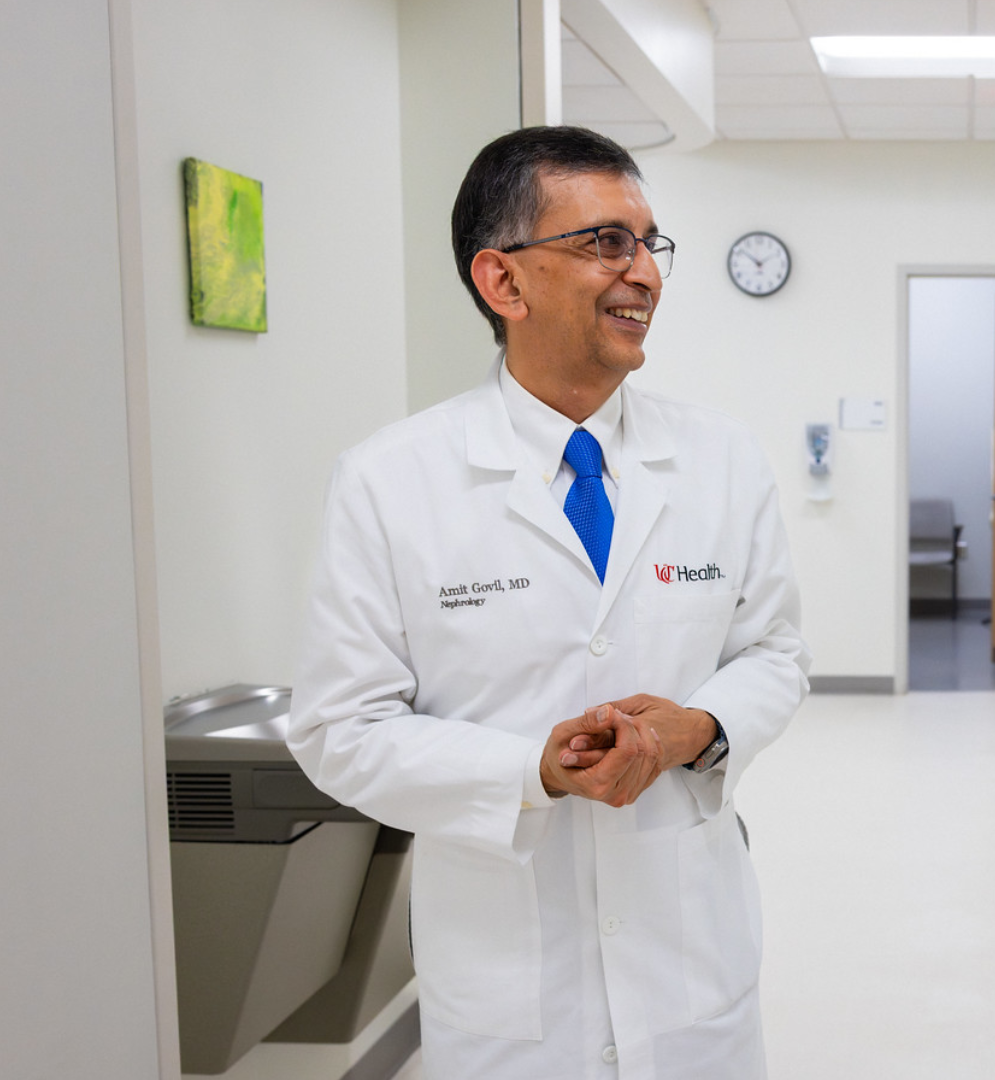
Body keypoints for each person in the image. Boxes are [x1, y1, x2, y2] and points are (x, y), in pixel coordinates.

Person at [288, 126, 808, 1079]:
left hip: (693, 964)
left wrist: (701, 726)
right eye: (607, 242)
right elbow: (338, 728)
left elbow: (775, 653)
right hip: (508, 989)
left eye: (652, 243)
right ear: (504, 283)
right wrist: (532, 767)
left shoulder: (723, 459)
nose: (645, 273)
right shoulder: (389, 481)